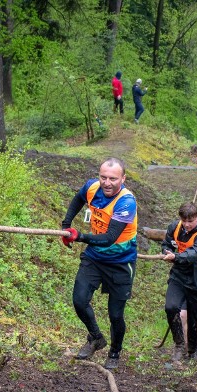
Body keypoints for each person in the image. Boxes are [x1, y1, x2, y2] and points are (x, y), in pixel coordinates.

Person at [60, 157, 137, 370]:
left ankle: (115, 351)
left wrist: (79, 236)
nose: (107, 182)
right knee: (79, 299)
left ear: (123, 178)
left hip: (121, 262)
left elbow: (110, 237)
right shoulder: (92, 187)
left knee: (115, 314)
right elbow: (78, 198)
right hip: (95, 257)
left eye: (113, 178)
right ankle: (95, 337)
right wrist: (66, 225)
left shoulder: (126, 202)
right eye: (103, 177)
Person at [161, 202, 197, 362]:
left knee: (194, 318)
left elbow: (194, 254)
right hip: (179, 274)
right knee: (170, 307)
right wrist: (167, 251)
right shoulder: (174, 227)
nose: (186, 225)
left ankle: (192, 351)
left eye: (190, 221)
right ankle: (179, 344)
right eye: (183, 221)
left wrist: (176, 257)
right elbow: (166, 243)